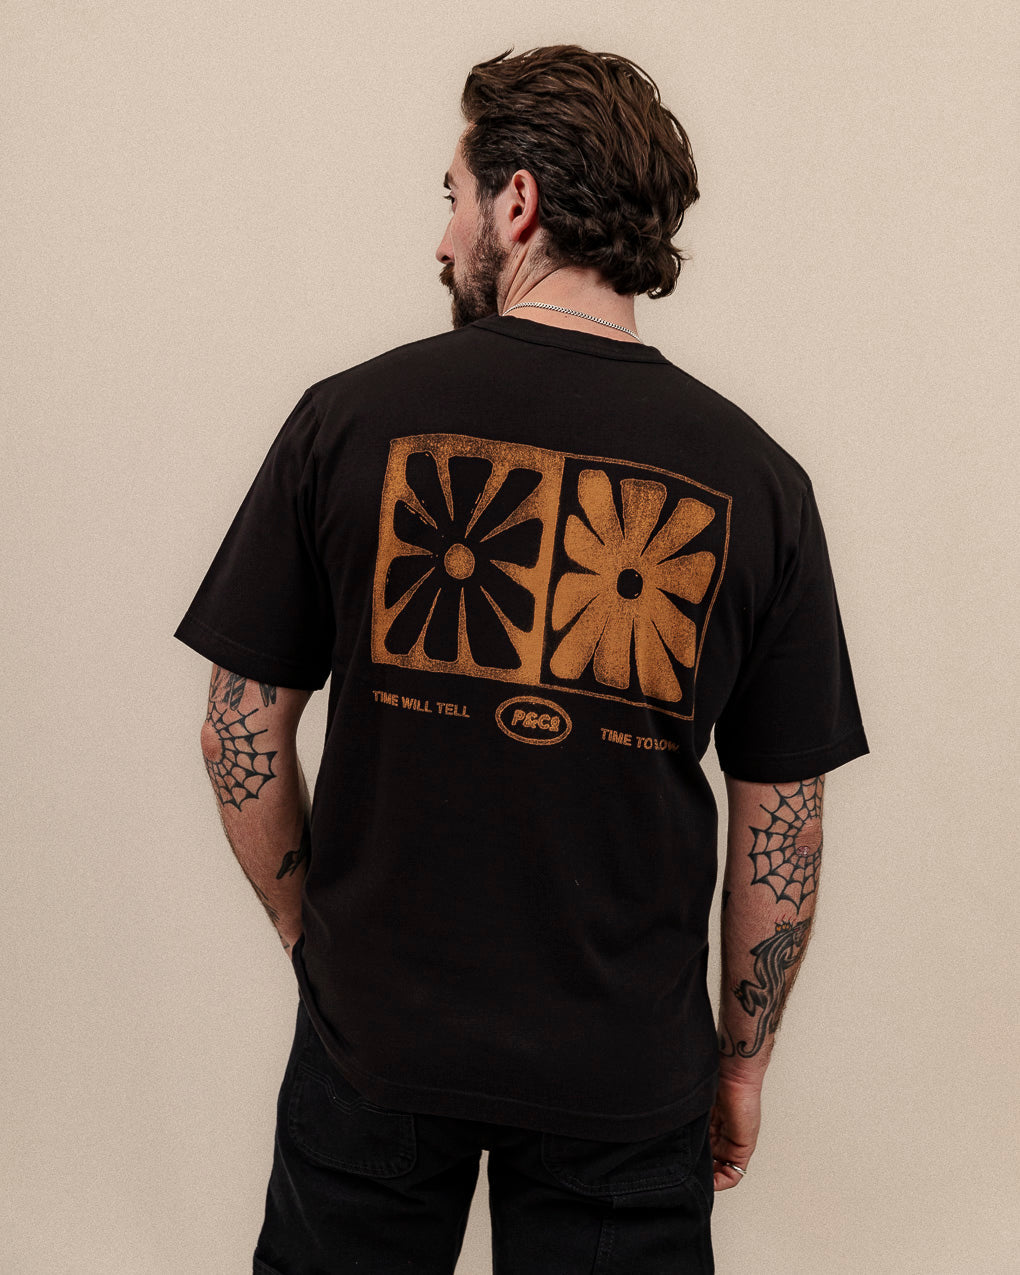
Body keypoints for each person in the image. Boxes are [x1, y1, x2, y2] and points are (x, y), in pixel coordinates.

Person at [175, 43, 868, 1275]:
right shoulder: (762, 482)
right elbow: (787, 819)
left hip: (374, 1039)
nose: (442, 240)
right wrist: (742, 1066)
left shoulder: (346, 419)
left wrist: (313, 944)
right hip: (629, 1073)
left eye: (453, 196)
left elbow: (239, 730)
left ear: (518, 203)